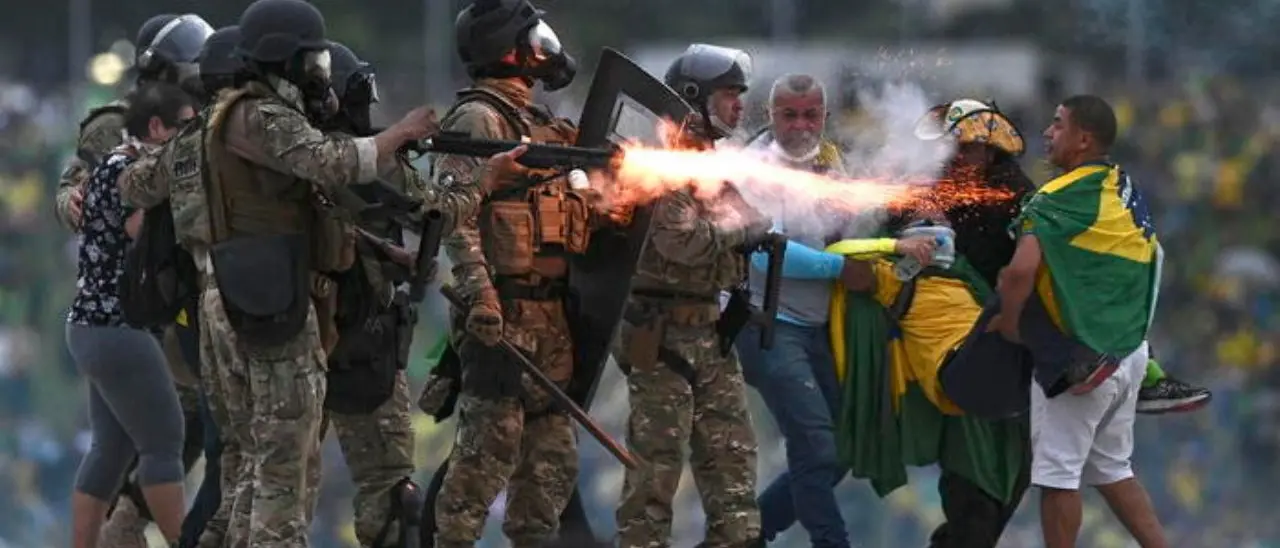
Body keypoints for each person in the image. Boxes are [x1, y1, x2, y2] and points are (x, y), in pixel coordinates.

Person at [192, 0, 449, 544]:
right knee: (285, 467)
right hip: (270, 300)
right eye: (312, 62)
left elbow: (320, 206)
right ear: (285, 60)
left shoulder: (242, 114)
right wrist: (398, 135)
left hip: (252, 293)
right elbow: (331, 163)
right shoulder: (257, 114)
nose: (320, 76)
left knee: (261, 465)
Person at [429, 1, 624, 547]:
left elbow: (592, 209)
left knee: (549, 476)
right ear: (507, 51)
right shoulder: (478, 120)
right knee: (477, 475)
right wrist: (481, 298)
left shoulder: (546, 128)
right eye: (531, 37)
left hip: (553, 322)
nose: (546, 46)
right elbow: (454, 216)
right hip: (503, 319)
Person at [991, 95, 1167, 547]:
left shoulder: (1052, 198)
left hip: (1080, 358)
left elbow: (1019, 272)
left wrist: (1010, 322)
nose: (1047, 133)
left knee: (1057, 477)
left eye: (1057, 124)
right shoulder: (1124, 187)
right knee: (1113, 469)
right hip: (1129, 353)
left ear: (1083, 139)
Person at [609, 43, 766, 548]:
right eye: (728, 94)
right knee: (653, 475)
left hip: (710, 336)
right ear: (695, 97)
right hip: (665, 338)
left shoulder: (709, 165)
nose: (738, 105)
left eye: (741, 94)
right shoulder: (664, 165)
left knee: (733, 466)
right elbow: (679, 243)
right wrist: (741, 230)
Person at [114, 23, 244, 548]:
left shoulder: (203, 127)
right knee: (218, 446)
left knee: (213, 445)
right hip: (193, 305)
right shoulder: (184, 134)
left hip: (197, 305)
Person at [66, 81, 198, 548]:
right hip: (121, 329)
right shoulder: (131, 172)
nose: (191, 134)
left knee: (112, 447)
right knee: (164, 443)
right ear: (156, 126)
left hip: (90, 327)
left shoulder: (111, 166)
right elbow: (139, 226)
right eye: (183, 125)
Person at [731, 73, 856, 547]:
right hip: (770, 326)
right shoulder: (755, 167)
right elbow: (764, 252)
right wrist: (841, 268)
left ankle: (751, 532)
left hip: (819, 327)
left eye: (810, 115)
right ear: (771, 115)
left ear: (823, 116)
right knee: (818, 446)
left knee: (844, 446)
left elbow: (844, 226)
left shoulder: (830, 161)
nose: (801, 126)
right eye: (790, 114)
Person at [318, 40, 420, 548]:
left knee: (265, 486)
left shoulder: (283, 162)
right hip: (354, 345)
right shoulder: (353, 163)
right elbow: (431, 204)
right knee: (390, 494)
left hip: (311, 343)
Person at [54, 13, 213, 232]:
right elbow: (74, 188)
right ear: (160, 71)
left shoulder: (212, 111)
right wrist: (71, 202)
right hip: (135, 255)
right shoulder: (115, 122)